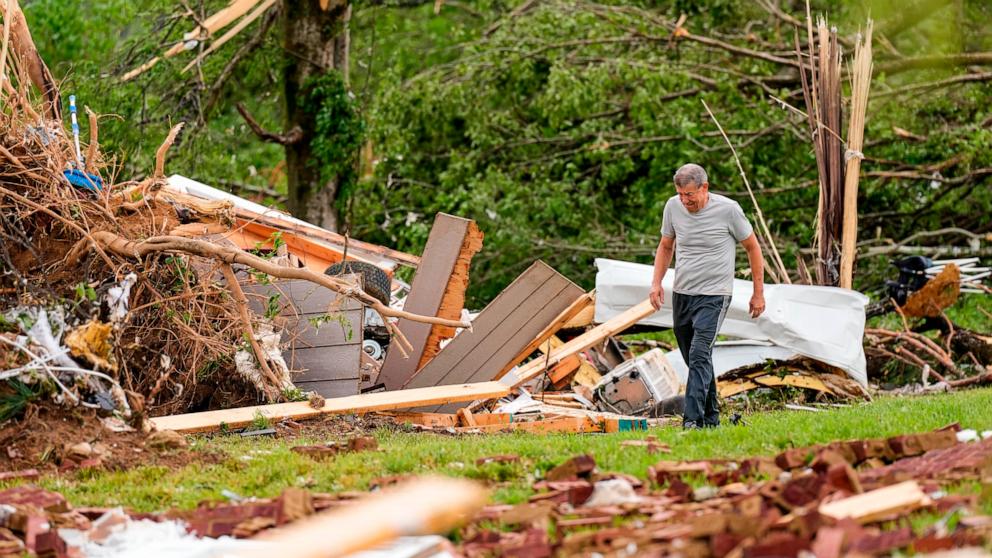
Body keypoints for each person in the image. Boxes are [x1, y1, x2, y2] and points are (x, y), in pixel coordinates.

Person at [649, 163, 765, 429]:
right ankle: (712, 419)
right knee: (694, 358)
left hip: (715, 295)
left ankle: (692, 421)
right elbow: (666, 246)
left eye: (689, 194)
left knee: (700, 353)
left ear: (705, 188)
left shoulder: (729, 210)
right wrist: (656, 283)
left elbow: (753, 248)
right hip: (683, 293)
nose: (684, 200)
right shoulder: (672, 207)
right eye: (680, 194)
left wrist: (758, 293)